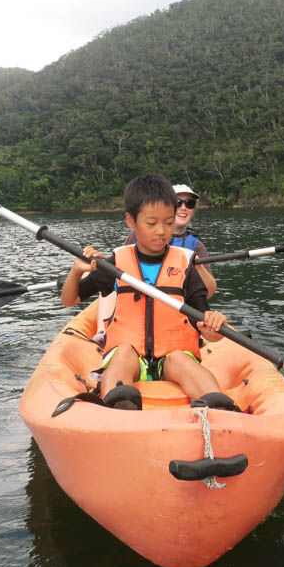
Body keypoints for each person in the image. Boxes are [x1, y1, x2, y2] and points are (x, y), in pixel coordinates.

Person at [61, 174, 236, 412]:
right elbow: (69, 300)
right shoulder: (116, 263)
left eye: (168, 222)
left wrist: (213, 325)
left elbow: (205, 325)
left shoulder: (185, 266)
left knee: (180, 359)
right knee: (123, 353)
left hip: (171, 359)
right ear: (131, 221)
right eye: (151, 223)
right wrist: (76, 271)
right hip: (131, 358)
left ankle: (218, 406)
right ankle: (119, 401)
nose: (161, 231)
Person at [125, 183, 216, 297]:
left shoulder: (197, 246)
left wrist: (198, 266)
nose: (183, 208)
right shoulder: (139, 235)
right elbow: (117, 273)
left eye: (190, 203)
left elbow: (210, 292)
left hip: (180, 308)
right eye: (178, 202)